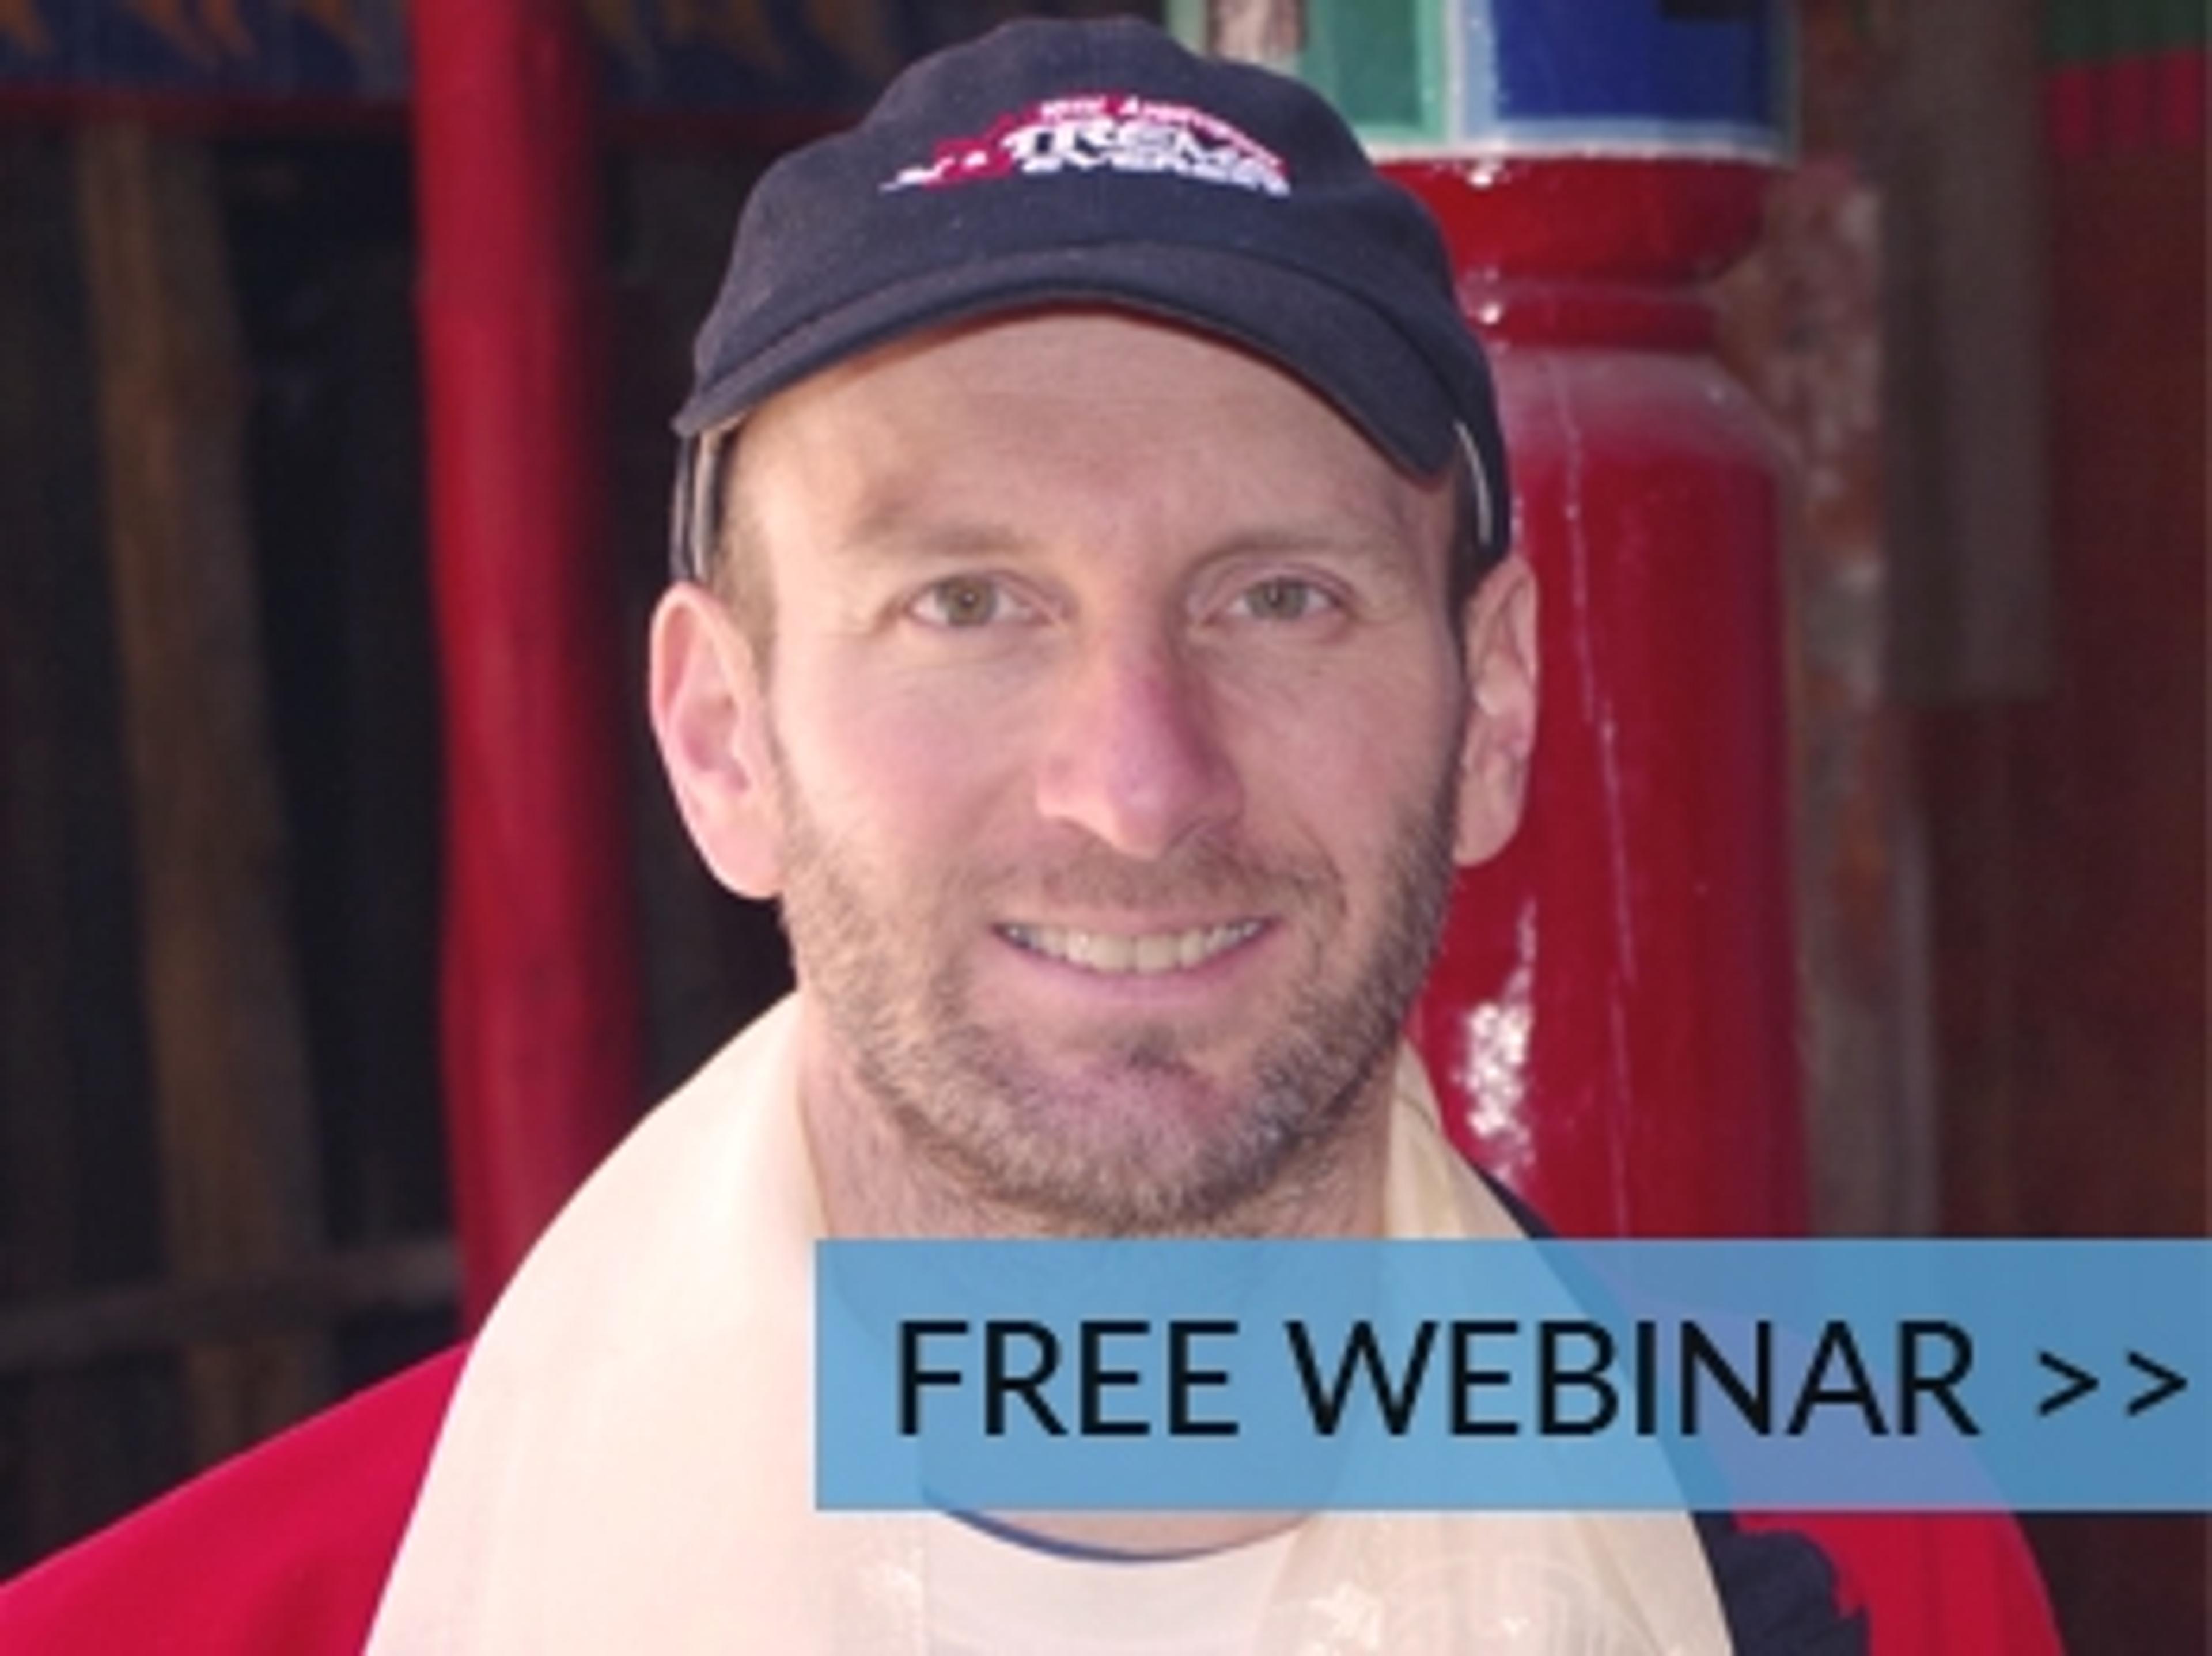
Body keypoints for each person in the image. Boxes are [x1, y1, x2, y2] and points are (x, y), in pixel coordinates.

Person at [0, 18, 2058, 1654]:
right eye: (966, 603)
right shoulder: (242, 1618)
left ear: (1493, 708)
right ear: (723, 736)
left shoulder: (1864, 1563)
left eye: (1280, 597)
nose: (1139, 784)